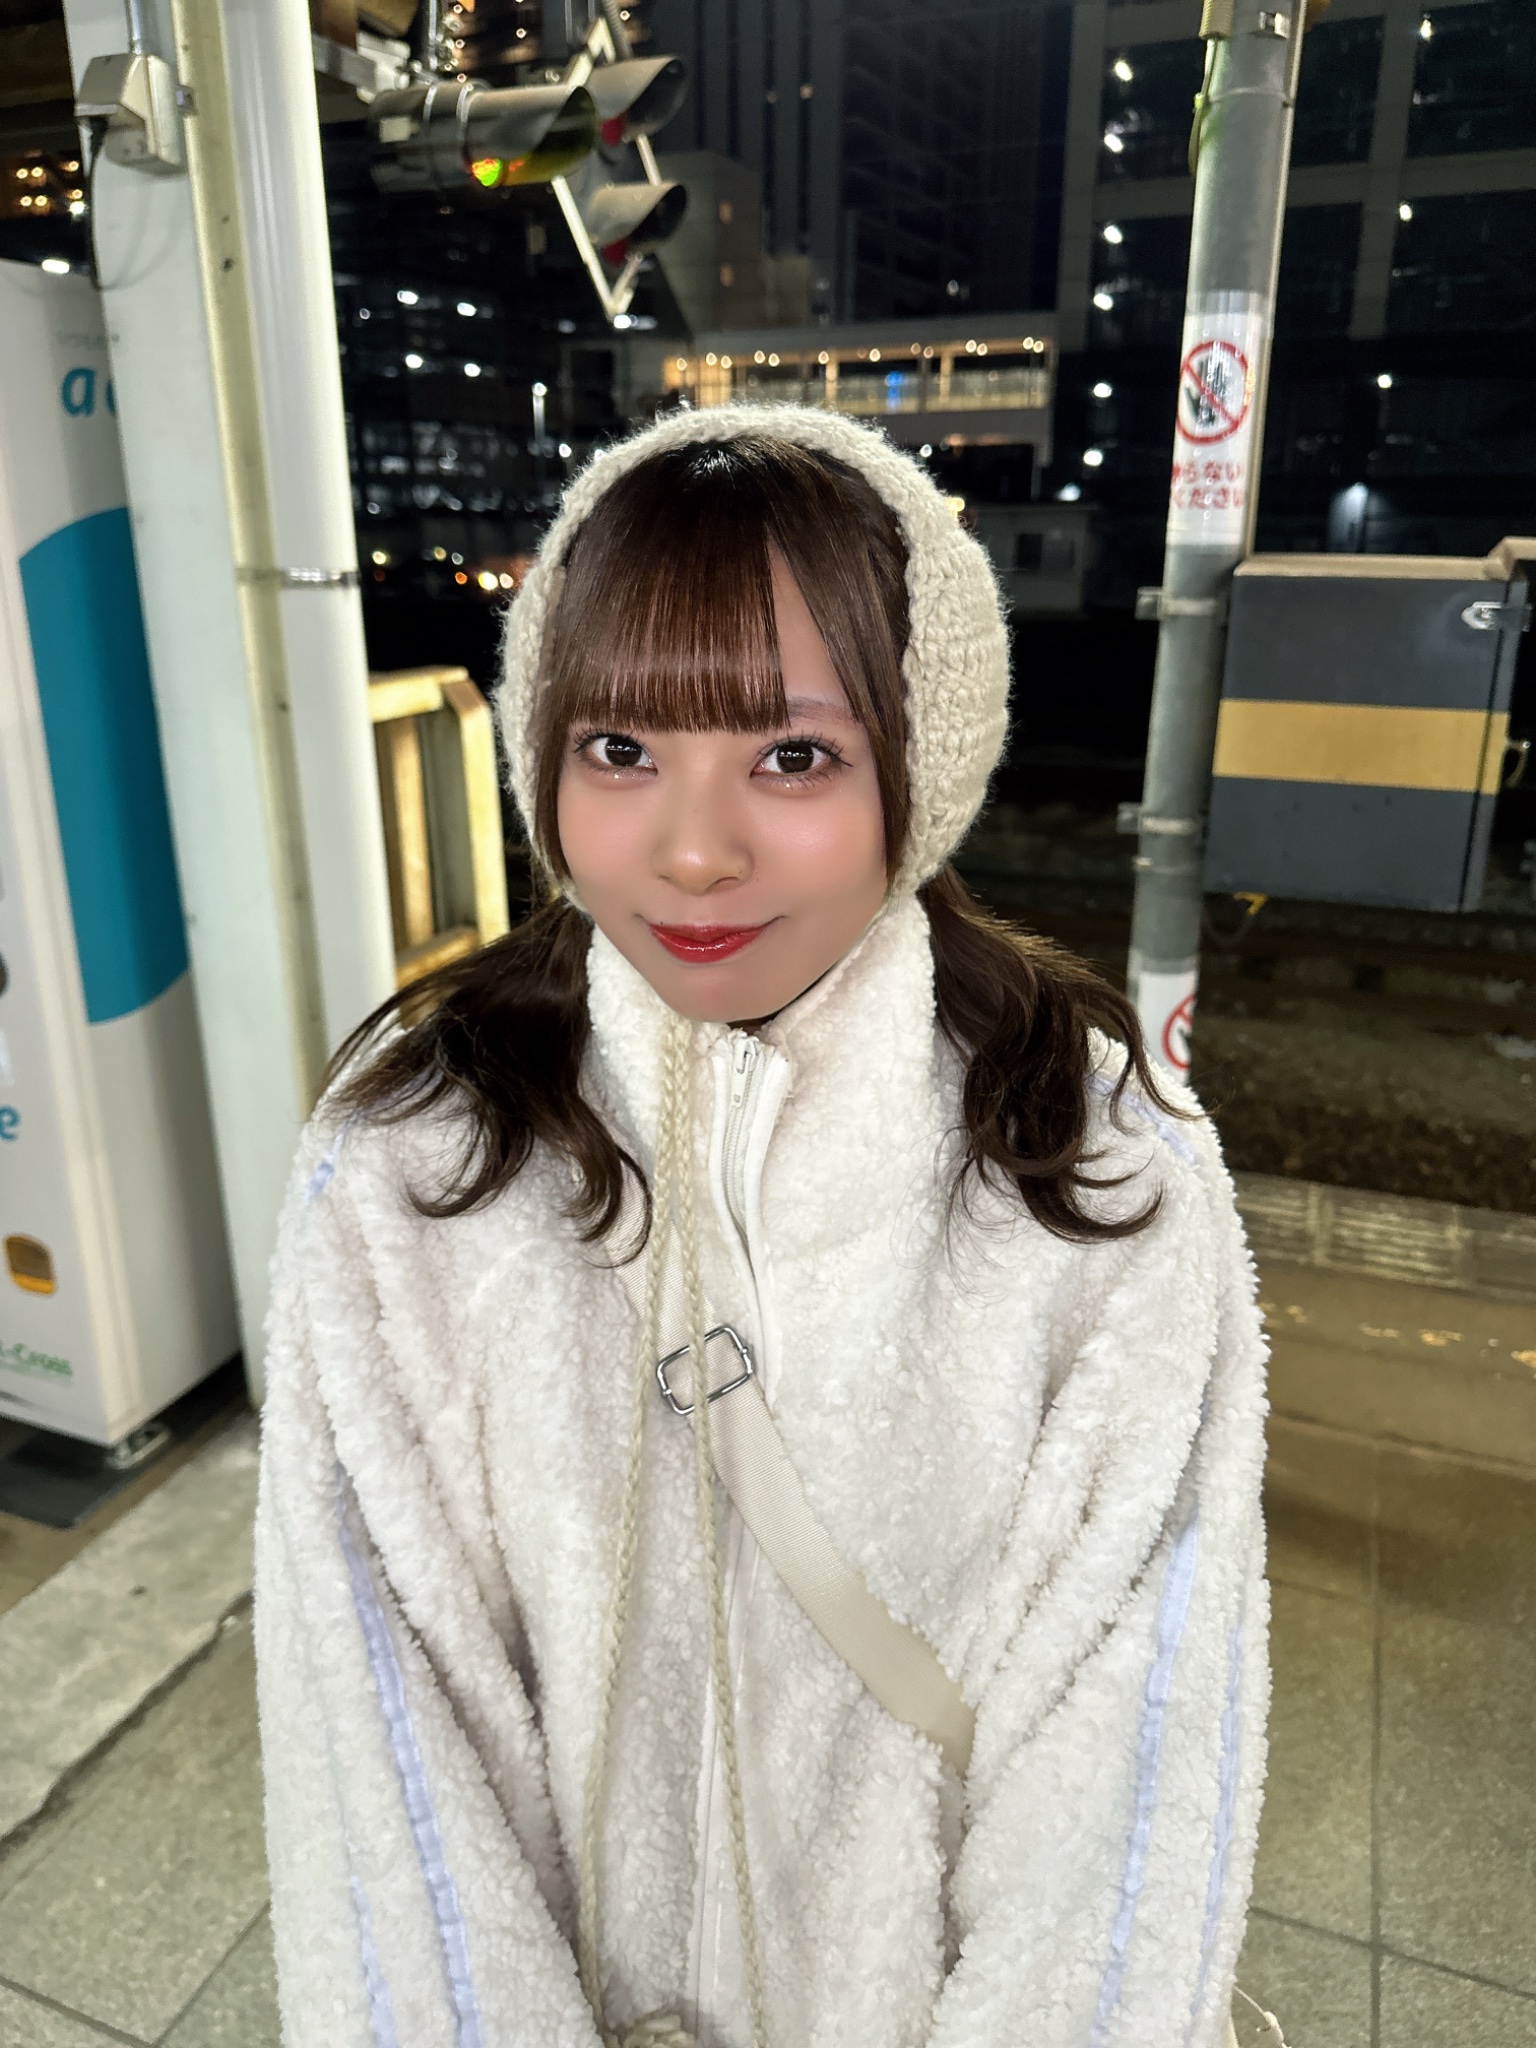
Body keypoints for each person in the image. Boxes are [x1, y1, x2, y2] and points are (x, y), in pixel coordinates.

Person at [255, 405, 1269, 2048]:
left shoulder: (1098, 1183)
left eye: (793, 756)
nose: (693, 851)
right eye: (618, 749)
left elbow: (1130, 1792)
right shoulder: (413, 1168)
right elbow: (380, 1763)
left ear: (922, 765)